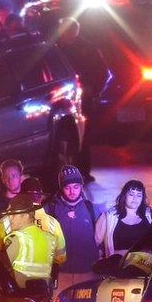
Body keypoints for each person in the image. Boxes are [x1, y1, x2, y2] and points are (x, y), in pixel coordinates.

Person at [57, 18, 110, 180]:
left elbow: (103, 72)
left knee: (83, 137)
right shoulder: (55, 49)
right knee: (63, 138)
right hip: (61, 101)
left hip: (83, 101)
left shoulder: (88, 49)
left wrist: (93, 90)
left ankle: (83, 172)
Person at [44, 166, 99, 293]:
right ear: (61, 188)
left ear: (81, 186)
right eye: (67, 187)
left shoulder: (91, 209)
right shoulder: (49, 209)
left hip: (87, 273)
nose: (72, 191)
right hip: (60, 274)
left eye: (76, 187)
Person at [0, 178, 66, 264]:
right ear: (40, 197)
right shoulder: (53, 223)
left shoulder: (7, 221)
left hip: (14, 275)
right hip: (44, 275)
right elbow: (61, 257)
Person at [2, 194, 60, 288]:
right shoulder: (51, 238)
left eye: (13, 216)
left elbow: (2, 269)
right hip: (44, 295)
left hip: (21, 296)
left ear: (25, 216)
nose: (10, 219)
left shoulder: (15, 238)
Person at [96, 180, 152, 258]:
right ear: (124, 195)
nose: (135, 198)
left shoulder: (150, 215)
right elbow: (95, 242)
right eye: (131, 194)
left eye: (139, 195)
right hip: (117, 265)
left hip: (143, 265)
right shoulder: (109, 216)